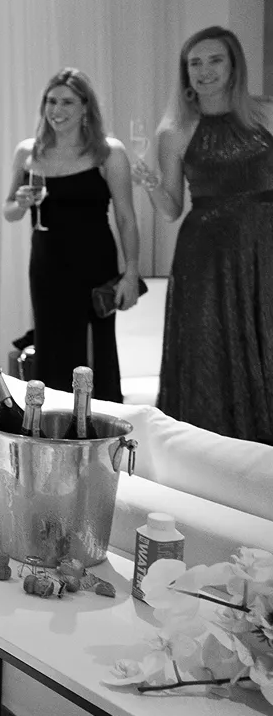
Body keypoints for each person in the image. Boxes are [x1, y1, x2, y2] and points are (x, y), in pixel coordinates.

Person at [136, 26, 273, 441]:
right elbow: (172, 209)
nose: (204, 70)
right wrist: (149, 183)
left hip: (264, 249)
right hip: (206, 257)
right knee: (209, 349)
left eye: (215, 60)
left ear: (234, 65)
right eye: (194, 63)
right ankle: (208, 452)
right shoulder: (174, 130)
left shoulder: (266, 112)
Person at [4, 69, 140, 402]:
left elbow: (125, 217)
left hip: (95, 267)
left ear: (85, 107)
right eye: (51, 101)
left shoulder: (109, 153)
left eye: (66, 102)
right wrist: (19, 202)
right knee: (51, 348)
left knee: (96, 352)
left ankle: (100, 428)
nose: (56, 110)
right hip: (47, 265)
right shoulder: (28, 152)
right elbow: (9, 211)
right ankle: (52, 427)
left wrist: (131, 273)